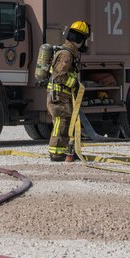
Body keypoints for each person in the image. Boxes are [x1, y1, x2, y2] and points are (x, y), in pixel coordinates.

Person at [46, 21, 89, 162]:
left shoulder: (70, 53)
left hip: (64, 96)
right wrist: (74, 83)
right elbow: (59, 75)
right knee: (61, 124)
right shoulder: (66, 55)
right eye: (84, 40)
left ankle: (67, 152)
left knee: (68, 124)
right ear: (79, 40)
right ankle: (56, 153)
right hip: (59, 96)